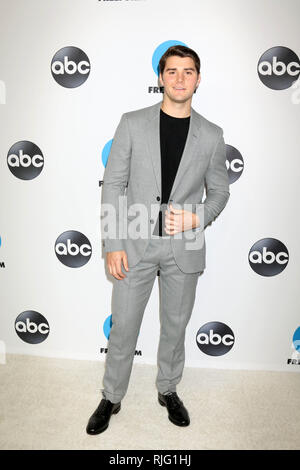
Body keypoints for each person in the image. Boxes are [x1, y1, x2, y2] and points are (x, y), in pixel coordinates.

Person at [86, 45, 230, 435]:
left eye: (188, 72)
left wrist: (197, 216)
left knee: (175, 326)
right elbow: (113, 183)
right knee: (124, 327)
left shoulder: (213, 136)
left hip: (184, 246)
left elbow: (219, 193)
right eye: (172, 71)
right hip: (133, 242)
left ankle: (168, 389)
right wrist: (113, 242)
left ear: (198, 80)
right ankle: (111, 396)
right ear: (160, 77)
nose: (179, 78)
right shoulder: (132, 123)